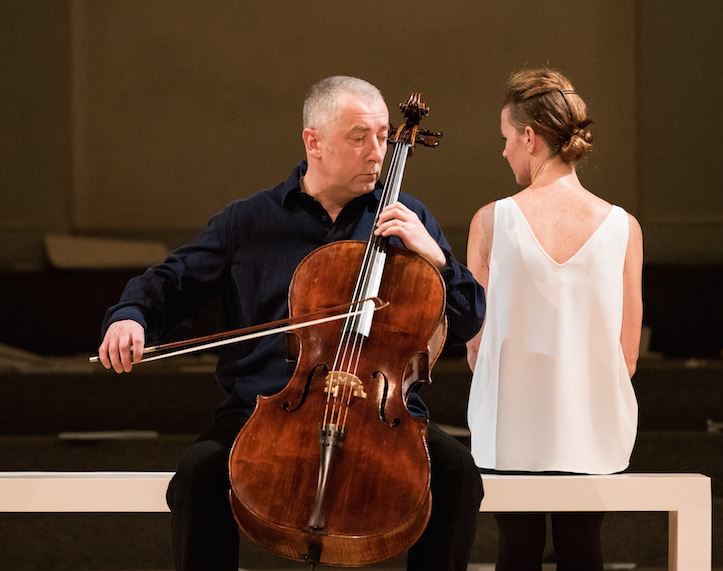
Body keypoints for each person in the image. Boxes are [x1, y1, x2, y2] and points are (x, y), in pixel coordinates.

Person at [97, 75, 486, 571]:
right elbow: (173, 281)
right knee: (198, 475)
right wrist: (130, 318)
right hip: (265, 414)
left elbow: (469, 316)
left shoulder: (407, 220)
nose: (377, 153)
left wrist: (436, 259)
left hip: (380, 416)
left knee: (455, 472)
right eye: (359, 136)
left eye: (385, 136)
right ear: (314, 141)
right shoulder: (248, 222)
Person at [465, 68, 643, 570]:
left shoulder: (491, 220)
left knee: (515, 550)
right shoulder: (623, 226)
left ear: (529, 136)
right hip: (593, 428)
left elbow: (476, 347)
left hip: (511, 427)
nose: (504, 152)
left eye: (506, 138)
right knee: (583, 549)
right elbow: (627, 357)